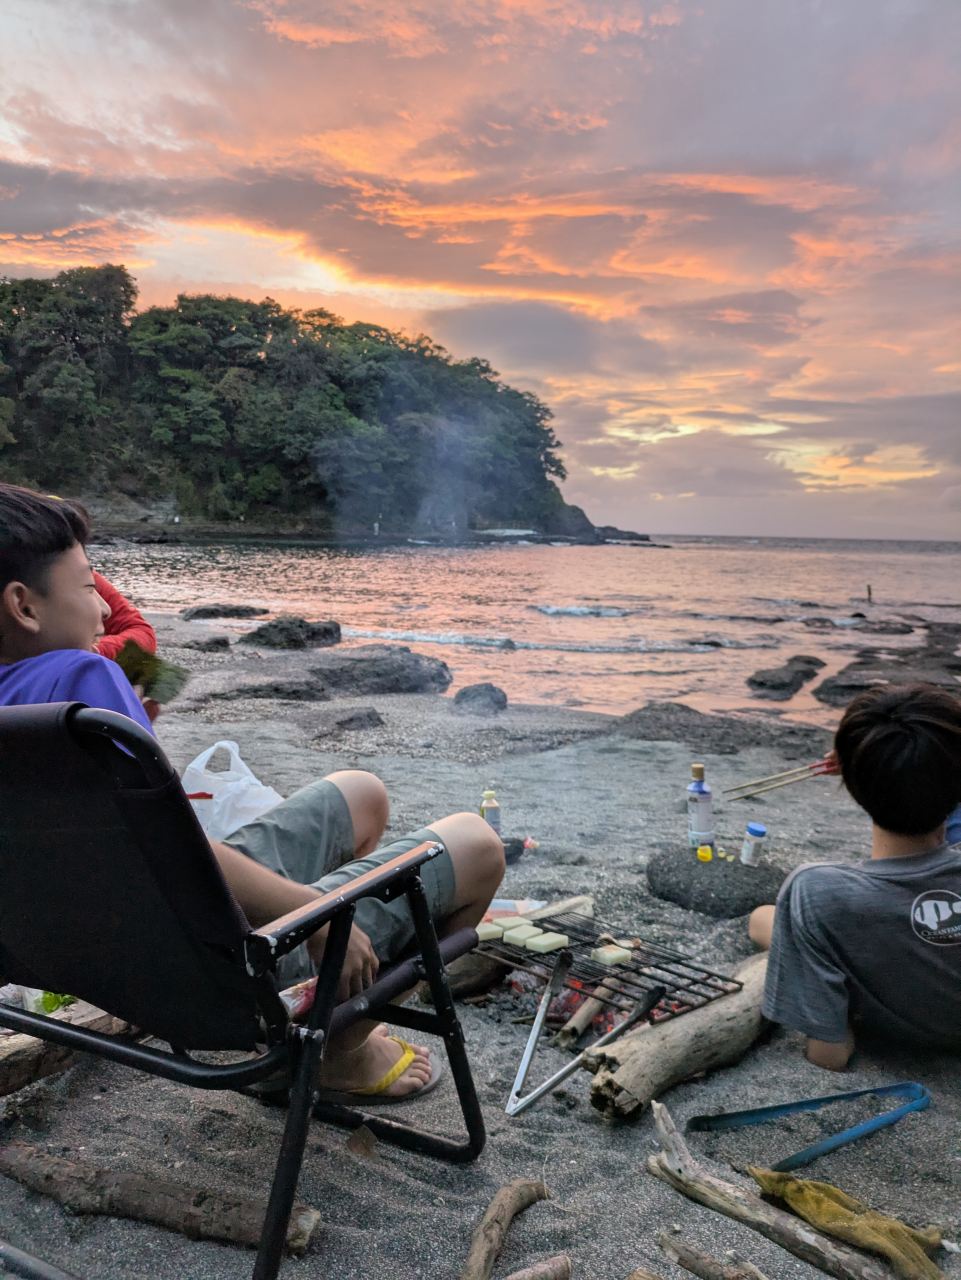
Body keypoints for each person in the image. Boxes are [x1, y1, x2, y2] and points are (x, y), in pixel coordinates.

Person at [0, 483, 505, 1100]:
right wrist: (316, 919)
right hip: (207, 970)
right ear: (23, 606)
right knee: (478, 843)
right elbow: (174, 845)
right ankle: (334, 1053)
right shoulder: (84, 677)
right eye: (88, 586)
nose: (102, 607)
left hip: (82, 951)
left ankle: (326, 1002)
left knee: (362, 793)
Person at [749, 683, 961, 1070]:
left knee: (761, 919)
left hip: (908, 1034)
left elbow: (828, 1055)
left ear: (850, 784)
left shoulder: (816, 891)